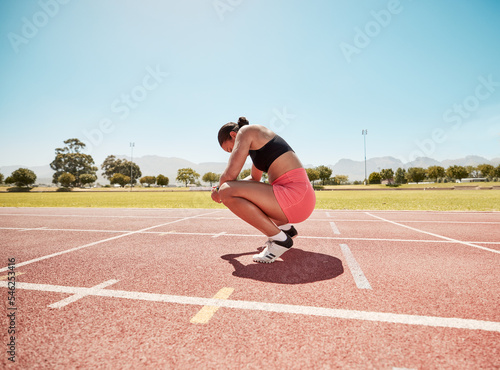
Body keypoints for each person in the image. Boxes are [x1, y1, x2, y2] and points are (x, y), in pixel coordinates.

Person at [212, 117, 316, 263]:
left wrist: (218, 190)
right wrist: (225, 189)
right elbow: (254, 180)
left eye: (230, 149)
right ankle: (286, 230)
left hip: (295, 196)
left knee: (226, 191)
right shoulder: (257, 146)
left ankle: (280, 240)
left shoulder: (247, 132)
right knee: (228, 190)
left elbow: (230, 175)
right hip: (299, 199)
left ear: (233, 135)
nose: (232, 152)